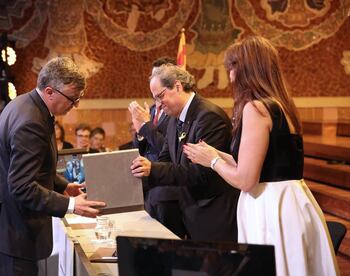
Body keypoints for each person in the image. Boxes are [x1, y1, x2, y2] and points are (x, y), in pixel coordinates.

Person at [183, 36, 339, 275]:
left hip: (271, 208)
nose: (230, 76)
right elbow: (263, 164)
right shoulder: (281, 104)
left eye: (232, 67)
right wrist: (217, 154)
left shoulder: (256, 108)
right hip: (292, 201)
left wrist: (212, 162)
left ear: (246, 68)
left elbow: (246, 180)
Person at [0, 57, 106, 275]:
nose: (76, 105)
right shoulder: (31, 122)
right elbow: (21, 186)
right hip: (11, 231)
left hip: (7, 224)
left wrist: (62, 185)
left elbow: (35, 165)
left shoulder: (25, 102)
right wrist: (71, 205)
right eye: (72, 98)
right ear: (50, 91)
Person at [131, 64, 239, 242]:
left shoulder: (209, 117)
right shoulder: (175, 118)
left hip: (214, 213)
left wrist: (153, 169)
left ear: (178, 86)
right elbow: (165, 160)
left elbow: (201, 173)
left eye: (160, 96)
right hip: (191, 211)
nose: (158, 104)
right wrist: (139, 168)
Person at [128, 57, 186, 238]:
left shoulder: (176, 110)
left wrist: (146, 125)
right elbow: (141, 147)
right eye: (153, 74)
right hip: (149, 187)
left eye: (159, 74)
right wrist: (139, 132)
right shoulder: (153, 108)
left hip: (169, 190)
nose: (154, 78)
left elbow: (169, 149)